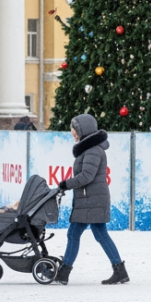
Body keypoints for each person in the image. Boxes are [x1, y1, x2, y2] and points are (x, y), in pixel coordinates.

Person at [53, 114, 128, 285]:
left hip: (92, 199)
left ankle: (64, 273)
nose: (73, 133)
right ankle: (120, 271)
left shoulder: (93, 150)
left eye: (74, 129)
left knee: (74, 233)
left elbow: (87, 176)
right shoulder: (90, 148)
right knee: (99, 234)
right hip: (90, 198)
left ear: (82, 130)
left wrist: (66, 184)